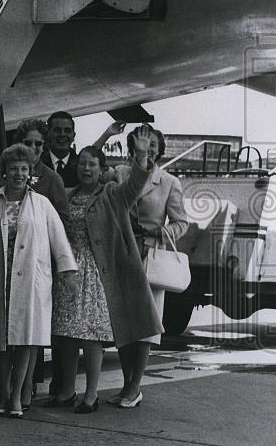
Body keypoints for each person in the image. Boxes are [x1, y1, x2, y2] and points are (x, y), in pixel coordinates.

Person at [0, 143, 78, 418]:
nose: (19, 174)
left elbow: (59, 240)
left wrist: (68, 273)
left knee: (25, 339)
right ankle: (5, 393)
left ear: (30, 172)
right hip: (0, 278)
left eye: (24, 169)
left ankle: (18, 396)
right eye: (13, 169)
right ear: (4, 172)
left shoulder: (41, 203)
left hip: (32, 279)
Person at [110, 125, 189, 407]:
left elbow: (181, 222)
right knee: (121, 320)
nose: (150, 148)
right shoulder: (119, 173)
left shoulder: (169, 181)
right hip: (121, 252)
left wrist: (160, 233)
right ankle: (126, 383)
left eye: (154, 144)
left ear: (160, 149)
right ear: (133, 147)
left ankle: (135, 386)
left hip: (151, 254)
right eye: (144, 143)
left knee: (145, 323)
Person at [48, 145, 115, 413]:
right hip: (67, 266)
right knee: (65, 332)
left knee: (90, 334)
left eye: (92, 165)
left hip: (92, 267)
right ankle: (66, 391)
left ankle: (91, 394)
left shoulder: (107, 196)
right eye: (83, 164)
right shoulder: (67, 194)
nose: (86, 169)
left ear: (101, 170)